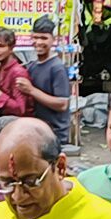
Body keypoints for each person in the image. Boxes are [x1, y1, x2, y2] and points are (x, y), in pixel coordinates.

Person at [21, 15, 72, 146]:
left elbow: (62, 104)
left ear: (53, 40)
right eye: (36, 37)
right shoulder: (32, 66)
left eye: (44, 38)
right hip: (38, 130)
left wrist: (31, 90)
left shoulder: (57, 68)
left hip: (54, 134)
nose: (38, 42)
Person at [0, 27, 33, 118]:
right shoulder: (2, 67)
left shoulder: (17, 72)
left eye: (1, 46)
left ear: (11, 48)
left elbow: (20, 109)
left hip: (20, 124)